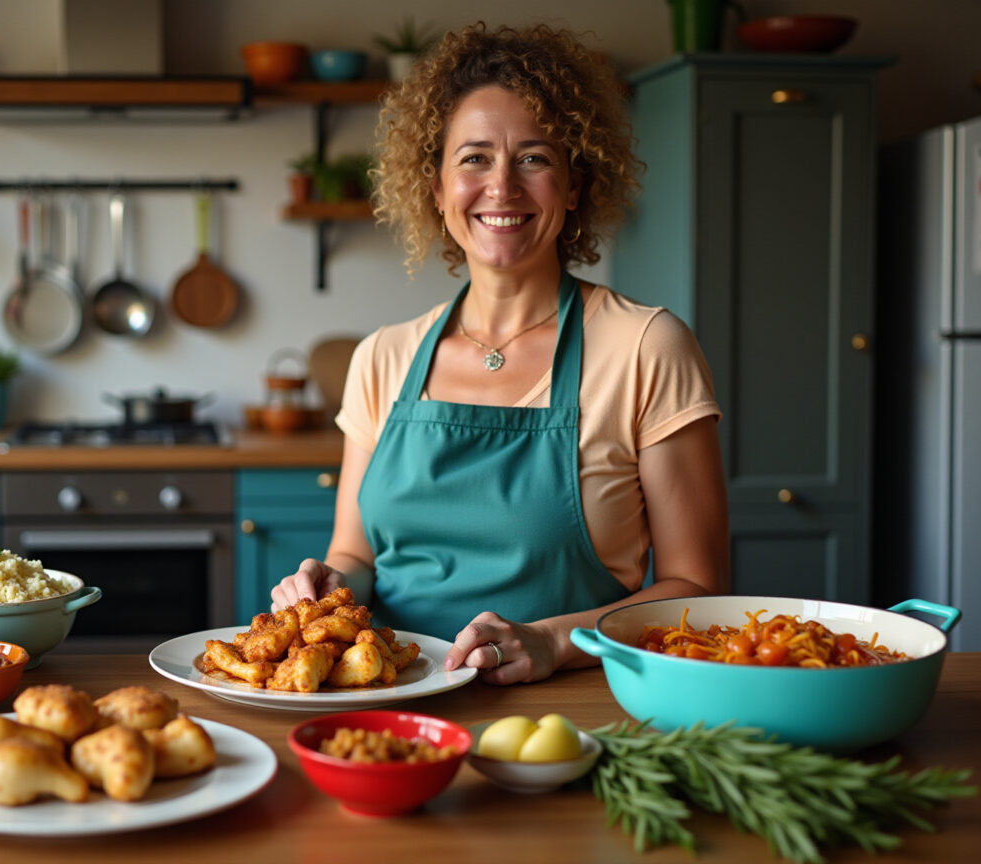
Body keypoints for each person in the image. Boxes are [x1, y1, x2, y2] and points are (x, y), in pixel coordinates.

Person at [270, 22, 729, 684]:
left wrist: (553, 642)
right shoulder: (383, 358)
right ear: (435, 188)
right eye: (475, 158)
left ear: (574, 189)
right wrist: (325, 582)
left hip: (577, 713)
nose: (503, 186)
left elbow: (700, 588)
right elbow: (355, 556)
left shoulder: (646, 347)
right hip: (394, 704)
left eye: (535, 158)